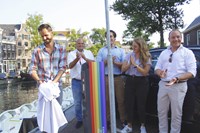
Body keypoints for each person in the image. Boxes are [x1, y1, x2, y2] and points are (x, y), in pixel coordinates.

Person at [155, 29, 197, 133]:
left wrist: (177, 78)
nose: (176, 39)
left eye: (178, 36)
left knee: (176, 115)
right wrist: (160, 73)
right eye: (173, 37)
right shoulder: (164, 53)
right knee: (161, 113)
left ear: (181, 38)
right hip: (163, 85)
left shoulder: (187, 53)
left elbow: (192, 72)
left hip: (178, 86)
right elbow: (156, 68)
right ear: (169, 39)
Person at [29, 24, 67, 132]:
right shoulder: (37, 50)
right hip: (44, 88)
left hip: (56, 87)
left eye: (46, 35)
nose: (44, 38)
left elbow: (63, 67)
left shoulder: (61, 49)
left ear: (52, 33)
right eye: (42, 36)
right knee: (44, 117)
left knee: (56, 115)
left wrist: (54, 83)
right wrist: (39, 82)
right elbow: (32, 69)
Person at [96, 30, 127, 129]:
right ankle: (108, 121)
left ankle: (123, 120)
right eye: (108, 37)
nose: (110, 38)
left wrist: (114, 63)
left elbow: (124, 64)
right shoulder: (102, 51)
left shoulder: (121, 50)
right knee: (107, 101)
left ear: (114, 38)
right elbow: (98, 65)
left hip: (118, 78)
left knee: (121, 100)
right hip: (106, 78)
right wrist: (107, 60)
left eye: (112, 36)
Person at [121, 37, 151, 133]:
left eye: (135, 46)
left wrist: (135, 65)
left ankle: (142, 126)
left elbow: (145, 72)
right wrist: (130, 64)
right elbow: (122, 69)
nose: (133, 48)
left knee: (141, 105)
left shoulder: (146, 56)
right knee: (129, 104)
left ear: (140, 46)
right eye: (132, 46)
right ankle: (129, 125)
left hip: (141, 82)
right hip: (130, 81)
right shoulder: (129, 55)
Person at [67, 38, 95, 129]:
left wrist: (84, 58)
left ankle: (89, 118)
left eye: (82, 43)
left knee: (89, 100)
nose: (80, 45)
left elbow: (94, 64)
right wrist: (77, 58)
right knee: (77, 102)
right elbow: (70, 66)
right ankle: (79, 120)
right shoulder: (71, 54)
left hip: (87, 80)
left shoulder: (89, 52)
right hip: (76, 81)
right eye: (79, 43)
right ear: (76, 44)